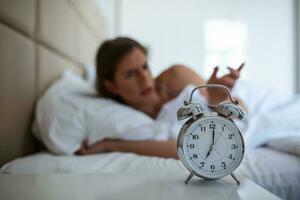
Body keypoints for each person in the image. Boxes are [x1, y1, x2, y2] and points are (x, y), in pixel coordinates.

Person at [76, 37, 246, 158]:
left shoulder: (176, 75)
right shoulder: (125, 119)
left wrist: (215, 100)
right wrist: (109, 145)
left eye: (144, 66)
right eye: (130, 74)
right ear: (111, 86)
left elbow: (242, 112)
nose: (144, 78)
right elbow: (187, 148)